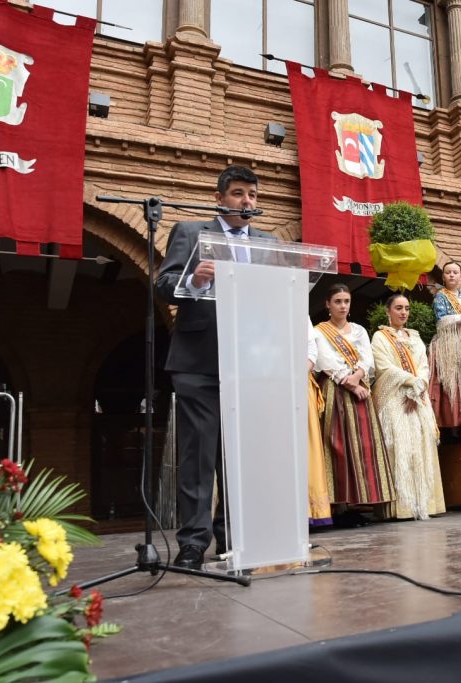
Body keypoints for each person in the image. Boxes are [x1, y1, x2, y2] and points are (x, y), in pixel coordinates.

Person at [155, 165, 261, 569]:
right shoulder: (191, 232)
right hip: (199, 360)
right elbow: (164, 283)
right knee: (198, 457)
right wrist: (194, 279)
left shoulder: (268, 243)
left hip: (250, 364)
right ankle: (193, 543)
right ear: (219, 198)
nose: (246, 202)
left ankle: (233, 539)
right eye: (237, 194)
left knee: (239, 459)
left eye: (252, 195)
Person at [314, 284, 395, 520]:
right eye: (337, 301)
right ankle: (338, 504)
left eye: (346, 301)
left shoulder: (359, 330)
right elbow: (324, 359)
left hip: (360, 391)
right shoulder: (319, 331)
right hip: (335, 390)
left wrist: (358, 377)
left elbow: (366, 357)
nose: (342, 306)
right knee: (337, 444)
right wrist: (349, 382)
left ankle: (360, 501)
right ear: (327, 304)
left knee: (362, 445)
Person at [371, 294, 445, 520]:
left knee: (421, 446)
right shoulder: (380, 337)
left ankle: (426, 504)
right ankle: (401, 508)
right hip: (395, 397)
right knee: (400, 446)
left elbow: (423, 365)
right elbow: (384, 367)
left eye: (406, 308)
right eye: (398, 308)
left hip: (417, 396)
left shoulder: (414, 337)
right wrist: (412, 382)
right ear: (388, 311)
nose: (403, 312)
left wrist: (420, 384)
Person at [429, 261, 461, 429]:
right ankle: (450, 427)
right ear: (443, 276)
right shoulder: (440, 296)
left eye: (455, 272)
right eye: (448, 272)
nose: (451, 275)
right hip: (448, 347)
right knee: (448, 387)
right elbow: (441, 321)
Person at [307, 323, 333, 528]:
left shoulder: (295, 304)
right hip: (264, 381)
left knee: (308, 446)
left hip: (298, 379)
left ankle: (311, 510)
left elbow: (310, 348)